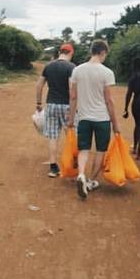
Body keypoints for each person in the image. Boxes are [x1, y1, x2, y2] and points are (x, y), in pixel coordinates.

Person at [67, 40, 120, 200]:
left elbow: (73, 97)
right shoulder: (107, 72)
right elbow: (108, 101)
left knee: (83, 149)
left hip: (83, 117)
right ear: (103, 52)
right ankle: (90, 181)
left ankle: (81, 175)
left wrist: (70, 119)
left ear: (92, 51)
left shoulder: (77, 70)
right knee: (100, 150)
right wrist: (115, 124)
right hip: (102, 118)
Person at [35, 43, 76, 177]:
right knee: (70, 134)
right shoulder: (71, 67)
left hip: (51, 105)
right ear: (70, 53)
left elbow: (39, 85)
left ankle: (53, 167)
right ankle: (72, 162)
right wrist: (74, 107)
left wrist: (39, 103)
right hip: (66, 106)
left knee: (53, 136)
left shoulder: (48, 66)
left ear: (60, 52)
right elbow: (71, 89)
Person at [123, 58, 140, 157]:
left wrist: (126, 108)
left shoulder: (133, 78)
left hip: (136, 102)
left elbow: (129, 94)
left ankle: (135, 147)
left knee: (138, 126)